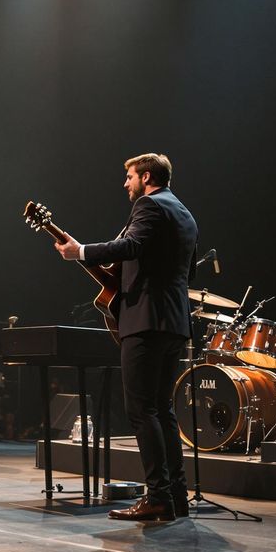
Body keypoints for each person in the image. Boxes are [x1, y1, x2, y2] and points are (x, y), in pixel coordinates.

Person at [54, 153, 198, 522]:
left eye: (129, 176)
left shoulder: (149, 205)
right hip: (174, 322)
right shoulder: (184, 213)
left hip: (145, 321)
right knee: (162, 410)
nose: (125, 184)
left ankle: (157, 497)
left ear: (146, 176)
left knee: (141, 409)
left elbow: (130, 246)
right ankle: (175, 496)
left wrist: (80, 251)